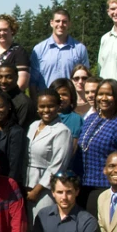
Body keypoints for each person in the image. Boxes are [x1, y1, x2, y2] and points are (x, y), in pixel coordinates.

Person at [75, 79, 117, 215]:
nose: (103, 98)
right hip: (83, 187)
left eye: (109, 94)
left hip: (107, 189)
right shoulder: (91, 118)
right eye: (100, 94)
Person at [26, 89, 73, 219]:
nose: (46, 110)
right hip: (26, 184)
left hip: (44, 188)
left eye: (51, 106)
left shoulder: (62, 131)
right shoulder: (33, 126)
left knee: (42, 224)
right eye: (42, 106)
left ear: (58, 107)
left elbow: (58, 165)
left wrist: (37, 190)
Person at [30, 9, 90, 93]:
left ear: (69, 24)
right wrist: (35, 101)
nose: (61, 24)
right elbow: (33, 81)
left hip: (71, 100)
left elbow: (85, 78)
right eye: (57, 21)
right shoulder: (39, 49)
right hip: (47, 101)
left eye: (64, 21)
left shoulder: (80, 49)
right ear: (52, 23)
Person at [0, 93, 27, 189]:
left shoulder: (16, 132)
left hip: (8, 186)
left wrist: (8, 189)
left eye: (0, 106)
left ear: (9, 106)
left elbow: (15, 166)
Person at [50, 78, 83, 151]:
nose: (60, 98)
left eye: (64, 94)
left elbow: (73, 148)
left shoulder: (75, 119)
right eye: (57, 94)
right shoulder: (46, 116)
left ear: (71, 97)